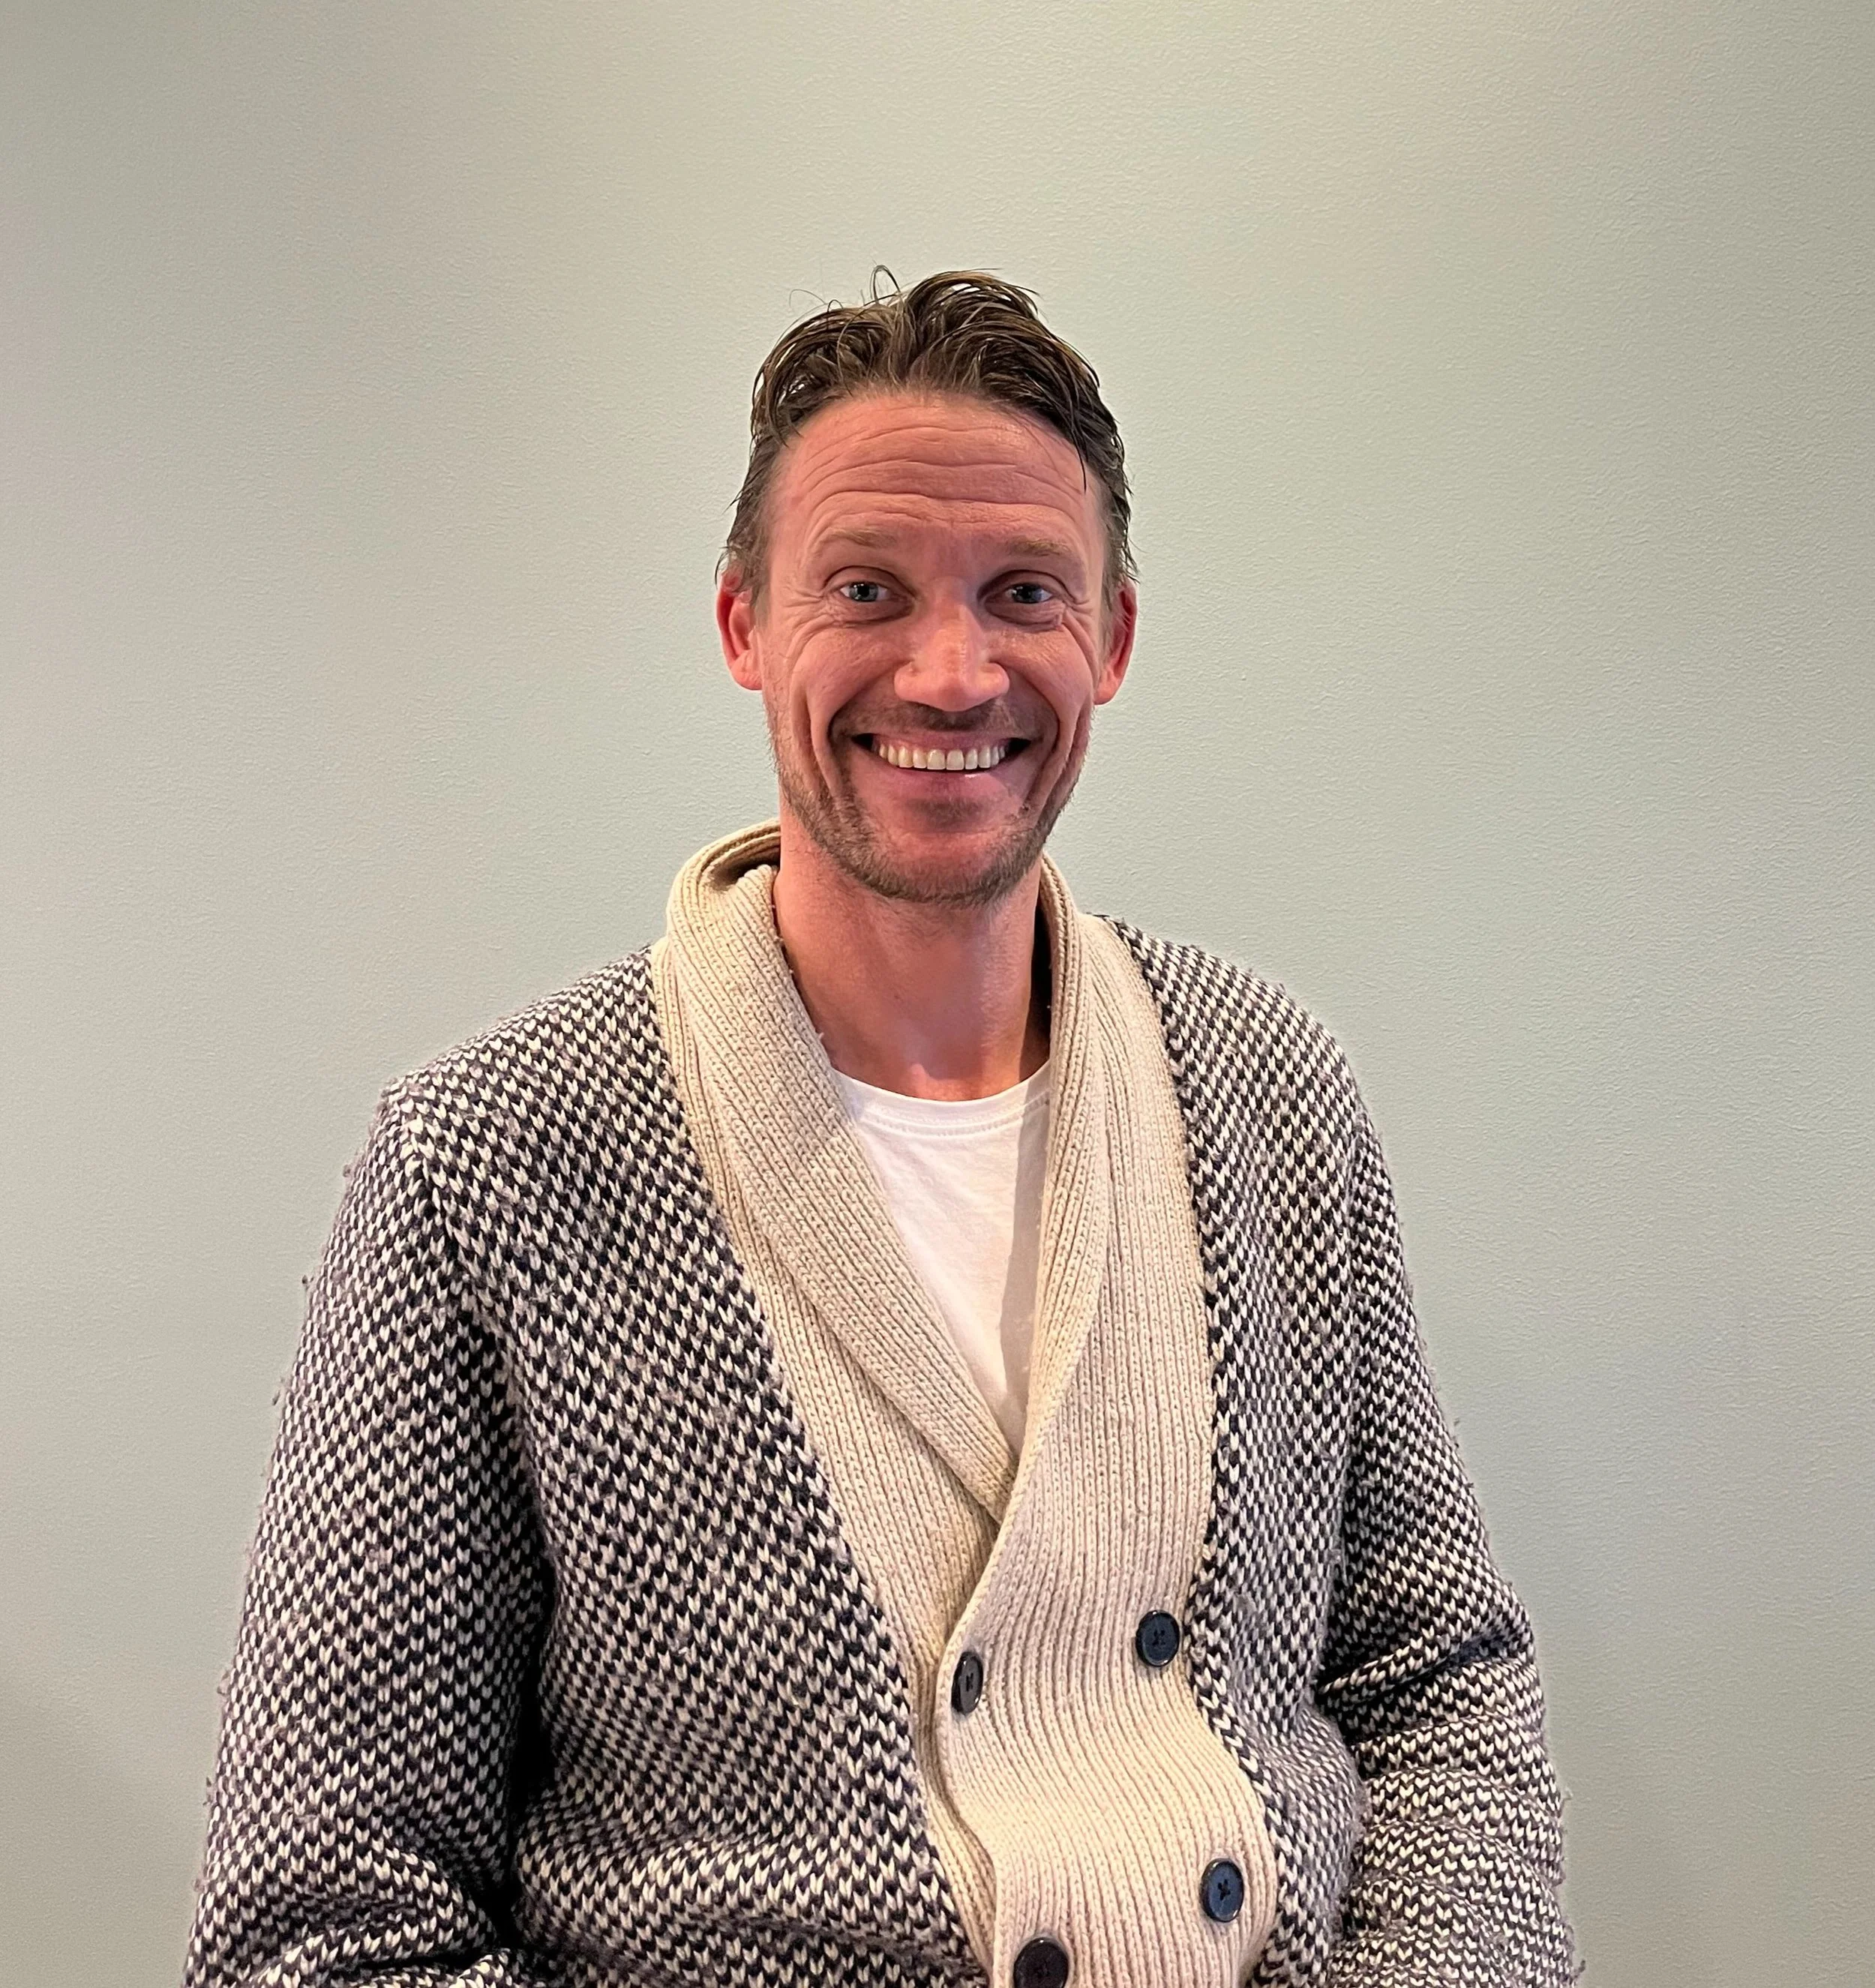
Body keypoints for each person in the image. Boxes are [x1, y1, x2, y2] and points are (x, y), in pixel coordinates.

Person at [184, 271, 1576, 1988]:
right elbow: (320, 1930)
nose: (949, 666)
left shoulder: (1270, 1086)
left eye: (1022, 592)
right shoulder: (486, 1159)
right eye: (867, 588)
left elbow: (1430, 1672)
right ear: (742, 624)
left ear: (1112, 642)